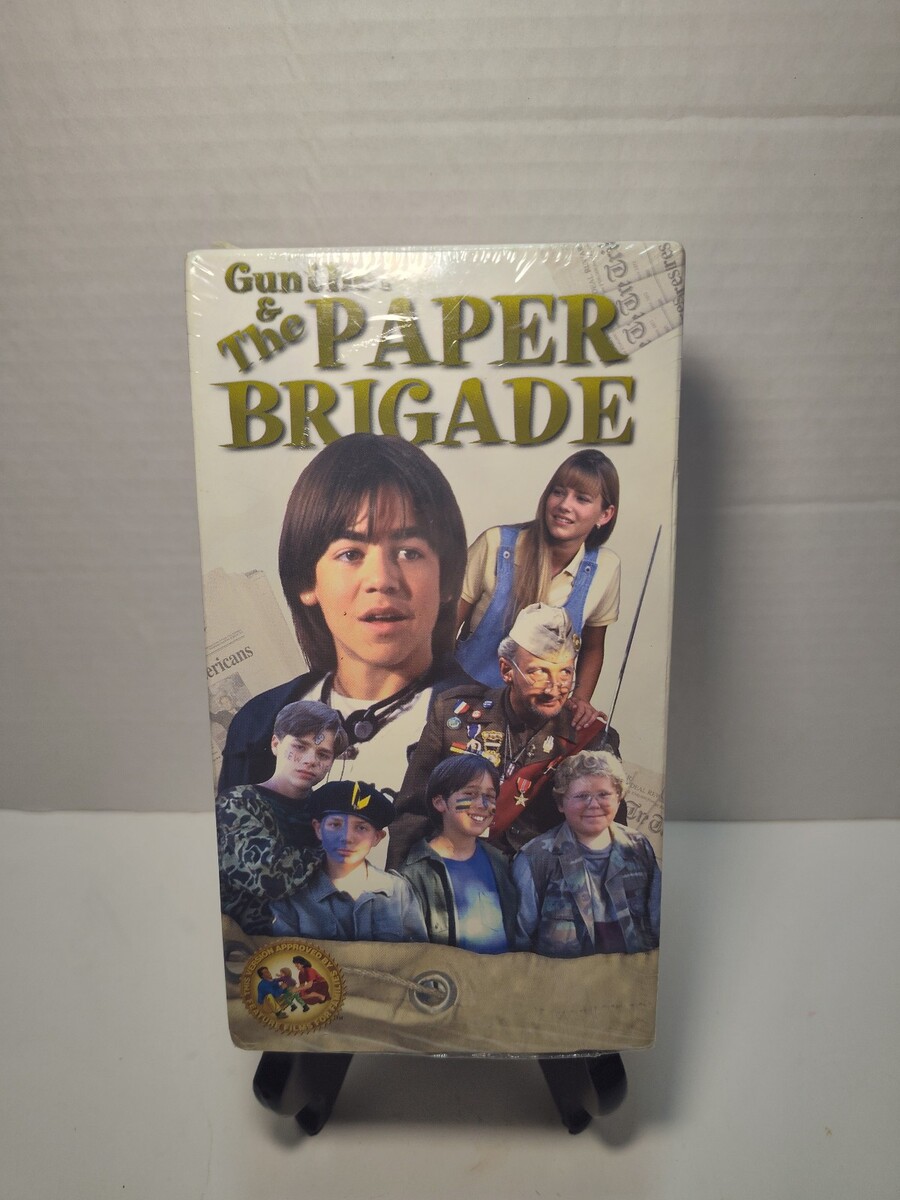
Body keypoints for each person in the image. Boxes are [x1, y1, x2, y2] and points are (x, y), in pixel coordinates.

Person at [218, 434, 469, 801]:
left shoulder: (492, 726)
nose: (382, 579)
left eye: (409, 552)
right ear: (307, 581)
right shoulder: (256, 724)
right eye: (351, 554)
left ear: (446, 578)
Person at [388, 603, 624, 868]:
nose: (554, 689)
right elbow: (412, 813)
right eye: (538, 671)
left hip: (538, 881)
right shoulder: (454, 715)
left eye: (565, 673)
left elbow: (609, 837)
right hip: (454, 871)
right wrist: (402, 881)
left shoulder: (590, 739)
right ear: (506, 670)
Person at [456, 449, 620, 726]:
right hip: (464, 703)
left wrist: (581, 698)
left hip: (533, 716)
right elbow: (443, 629)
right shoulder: (496, 545)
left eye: (581, 498)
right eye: (559, 492)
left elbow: (593, 647)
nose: (564, 505)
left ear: (605, 514)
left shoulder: (605, 568)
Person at [216, 700, 347, 933]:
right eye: (299, 746)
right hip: (249, 940)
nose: (310, 760)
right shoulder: (237, 802)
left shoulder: (324, 812)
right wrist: (332, 851)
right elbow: (270, 877)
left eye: (323, 754)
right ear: (275, 744)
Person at [513, 750, 660, 958]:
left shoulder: (638, 847)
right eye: (582, 796)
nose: (593, 804)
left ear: (619, 798)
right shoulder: (535, 859)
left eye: (604, 794)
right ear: (561, 804)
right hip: (566, 977)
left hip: (631, 975)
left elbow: (660, 925)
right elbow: (518, 946)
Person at [271, 781, 428, 943]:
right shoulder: (295, 893)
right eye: (335, 825)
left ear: (377, 837)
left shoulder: (397, 892)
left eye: (361, 828)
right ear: (318, 829)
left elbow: (418, 953)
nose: (347, 838)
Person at [400, 754, 519, 954]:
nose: (482, 804)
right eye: (470, 794)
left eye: (490, 796)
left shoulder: (500, 862)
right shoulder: (415, 873)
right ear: (440, 803)